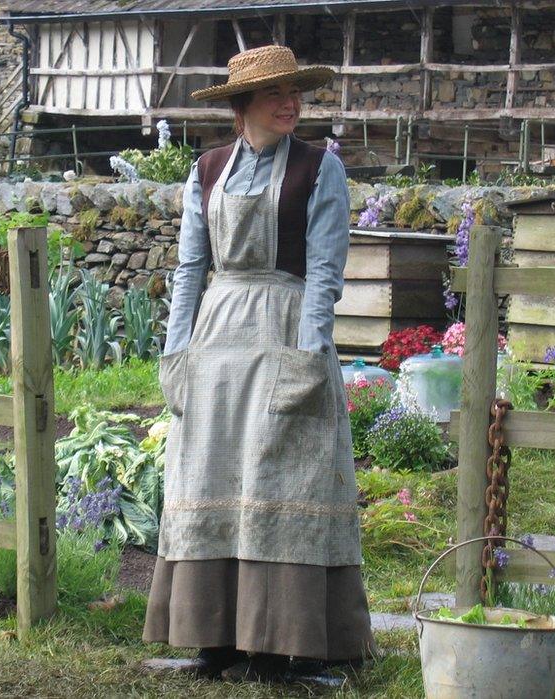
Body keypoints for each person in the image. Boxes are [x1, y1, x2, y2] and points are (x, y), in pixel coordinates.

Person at [142, 45, 376, 682]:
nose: (291, 103)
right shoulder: (208, 170)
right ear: (243, 105)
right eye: (276, 94)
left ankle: (284, 648)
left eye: (295, 92)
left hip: (285, 332)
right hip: (218, 342)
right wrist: (175, 353)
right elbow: (191, 269)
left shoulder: (319, 168)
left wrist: (310, 351)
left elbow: (326, 274)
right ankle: (214, 643)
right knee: (211, 477)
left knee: (284, 479)